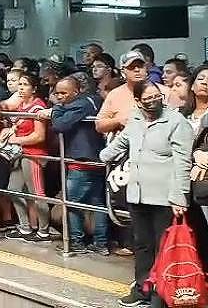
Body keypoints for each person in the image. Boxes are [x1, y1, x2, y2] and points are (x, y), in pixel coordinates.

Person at [100, 81, 192, 308]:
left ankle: (162, 294)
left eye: (156, 96)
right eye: (147, 98)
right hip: (137, 195)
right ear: (139, 101)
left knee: (163, 248)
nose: (153, 101)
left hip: (164, 198)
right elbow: (123, 141)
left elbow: (182, 162)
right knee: (141, 244)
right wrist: (104, 155)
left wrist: (180, 195)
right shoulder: (136, 119)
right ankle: (143, 288)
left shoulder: (176, 122)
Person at [38, 77, 108, 255]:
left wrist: (55, 110)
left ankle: (76, 241)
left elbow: (60, 125)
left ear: (76, 92)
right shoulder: (94, 100)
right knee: (98, 204)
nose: (60, 96)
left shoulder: (80, 105)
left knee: (71, 203)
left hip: (81, 161)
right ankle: (101, 243)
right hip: (96, 159)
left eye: (64, 93)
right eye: (57, 93)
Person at [5, 73, 51, 242]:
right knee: (13, 189)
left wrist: (16, 139)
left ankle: (43, 231)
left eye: (25, 84)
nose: (21, 88)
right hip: (20, 154)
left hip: (34, 155)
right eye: (20, 84)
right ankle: (25, 227)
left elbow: (39, 136)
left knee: (37, 193)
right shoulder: (21, 106)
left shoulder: (38, 107)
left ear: (34, 88)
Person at [96, 51, 167, 135]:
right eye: (131, 67)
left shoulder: (164, 91)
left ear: (146, 69)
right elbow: (99, 125)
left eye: (140, 66)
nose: (137, 70)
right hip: (125, 143)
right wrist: (118, 121)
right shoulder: (115, 94)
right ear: (123, 72)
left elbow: (176, 120)